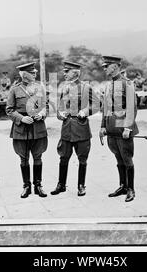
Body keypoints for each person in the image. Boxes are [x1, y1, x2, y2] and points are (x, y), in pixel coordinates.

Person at [51, 61, 98, 197]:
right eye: (64, 71)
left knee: (82, 158)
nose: (64, 74)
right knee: (63, 157)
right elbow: (59, 108)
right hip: (66, 128)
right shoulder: (64, 88)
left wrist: (86, 111)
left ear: (75, 73)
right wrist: (60, 114)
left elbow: (96, 104)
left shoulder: (85, 87)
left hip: (81, 127)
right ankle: (61, 185)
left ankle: (81, 185)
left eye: (67, 71)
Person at [99, 55, 139, 202]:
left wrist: (128, 127)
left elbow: (132, 107)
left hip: (123, 128)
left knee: (127, 159)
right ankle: (123, 186)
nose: (104, 68)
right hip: (111, 128)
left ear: (115, 67)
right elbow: (105, 108)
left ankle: (131, 189)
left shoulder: (127, 84)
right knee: (118, 158)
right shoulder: (109, 85)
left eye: (106, 66)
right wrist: (103, 126)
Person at [6, 62, 48, 198]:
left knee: (38, 157)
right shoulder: (14, 89)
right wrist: (21, 118)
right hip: (21, 129)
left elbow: (45, 106)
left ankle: (38, 185)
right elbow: (9, 110)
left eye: (35, 72)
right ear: (24, 75)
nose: (35, 74)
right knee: (23, 159)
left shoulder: (39, 88)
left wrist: (41, 114)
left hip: (37, 127)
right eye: (32, 72)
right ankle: (26, 186)